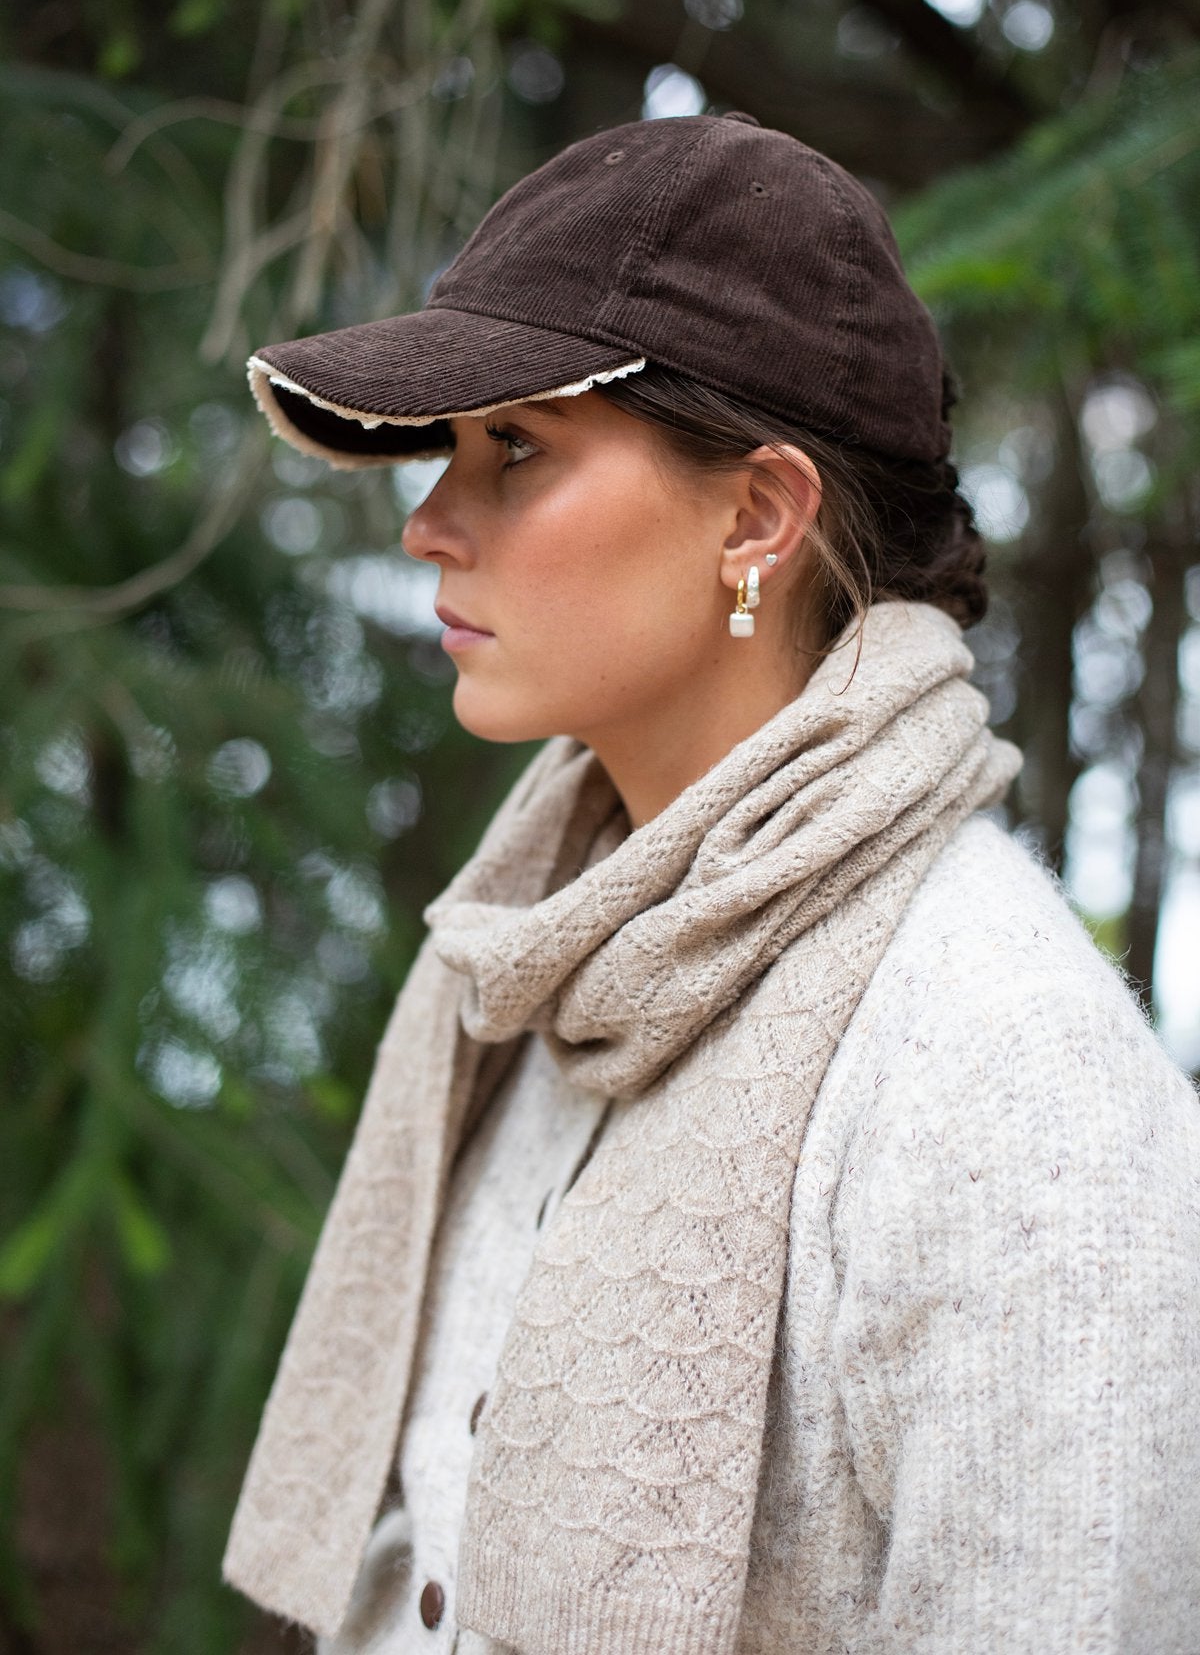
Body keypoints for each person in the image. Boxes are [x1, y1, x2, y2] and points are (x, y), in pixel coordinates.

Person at [222, 111, 1200, 1655]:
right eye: (449, 453)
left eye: (515, 448)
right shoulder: (535, 958)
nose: (426, 523)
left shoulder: (1009, 1080)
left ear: (757, 516)